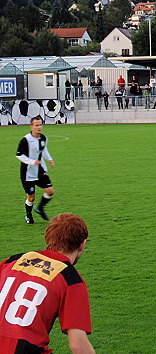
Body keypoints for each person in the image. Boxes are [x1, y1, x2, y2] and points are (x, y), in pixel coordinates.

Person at [0, 213, 95, 353]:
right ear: (82, 244)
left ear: (48, 237)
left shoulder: (12, 261)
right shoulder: (71, 279)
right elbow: (78, 345)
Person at [16, 116, 55, 224]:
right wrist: (32, 162)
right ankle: (28, 215)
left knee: (50, 191)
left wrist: (49, 159)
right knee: (31, 197)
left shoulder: (43, 138)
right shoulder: (26, 140)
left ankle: (40, 208)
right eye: (36, 125)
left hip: (39, 171)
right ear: (31, 126)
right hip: (27, 173)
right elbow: (19, 155)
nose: (39, 127)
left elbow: (44, 149)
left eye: (40, 124)